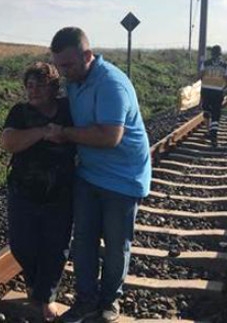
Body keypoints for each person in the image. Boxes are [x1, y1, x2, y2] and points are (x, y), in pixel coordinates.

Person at [46, 27, 151, 323]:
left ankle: (109, 301)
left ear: (87, 56)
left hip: (123, 177)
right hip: (90, 174)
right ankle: (85, 300)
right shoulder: (77, 81)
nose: (63, 72)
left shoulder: (111, 84)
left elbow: (109, 137)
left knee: (116, 245)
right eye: (59, 66)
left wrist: (65, 134)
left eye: (67, 65)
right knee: (84, 240)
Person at [1, 62, 75, 322]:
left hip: (61, 191)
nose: (33, 91)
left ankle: (46, 297)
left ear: (54, 87)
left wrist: (65, 133)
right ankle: (35, 283)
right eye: (29, 85)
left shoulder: (68, 109)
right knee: (22, 245)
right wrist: (44, 132)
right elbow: (9, 141)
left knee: (55, 247)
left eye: (40, 85)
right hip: (24, 189)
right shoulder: (20, 112)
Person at [199, 45, 227, 147]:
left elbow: (200, 76)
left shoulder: (205, 63)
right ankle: (213, 135)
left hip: (205, 91)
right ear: (220, 54)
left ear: (212, 54)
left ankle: (209, 131)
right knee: (215, 114)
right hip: (217, 92)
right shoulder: (224, 65)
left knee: (206, 111)